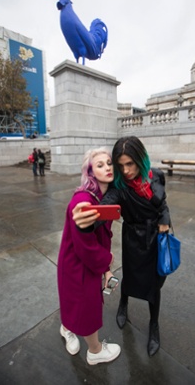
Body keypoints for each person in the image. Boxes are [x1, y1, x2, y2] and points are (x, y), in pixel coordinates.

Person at [72, 136, 171, 357]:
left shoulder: (157, 176)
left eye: (130, 164)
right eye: (121, 165)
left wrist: (164, 220)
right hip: (133, 238)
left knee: (155, 284)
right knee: (131, 274)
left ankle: (154, 325)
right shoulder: (119, 187)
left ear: (140, 159)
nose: (126, 171)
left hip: (155, 237)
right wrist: (87, 220)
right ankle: (123, 303)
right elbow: (105, 207)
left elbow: (162, 204)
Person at [57, 147, 121, 365]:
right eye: (100, 165)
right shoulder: (83, 200)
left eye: (109, 163)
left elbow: (101, 237)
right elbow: (85, 246)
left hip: (90, 261)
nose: (107, 168)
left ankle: (67, 327)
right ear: (91, 172)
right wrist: (106, 261)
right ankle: (95, 351)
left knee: (76, 302)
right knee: (86, 307)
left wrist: (106, 268)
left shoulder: (104, 196)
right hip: (78, 262)